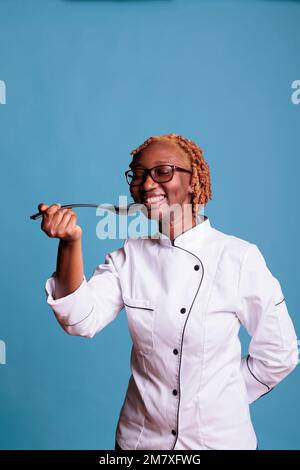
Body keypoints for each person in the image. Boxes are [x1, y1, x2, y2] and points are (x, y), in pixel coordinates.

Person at [40, 133, 298, 450]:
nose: (147, 184)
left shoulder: (239, 258)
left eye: (162, 172)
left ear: (193, 182)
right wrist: (70, 243)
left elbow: (279, 353)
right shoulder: (129, 258)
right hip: (139, 444)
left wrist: (220, 400)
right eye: (138, 174)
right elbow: (79, 321)